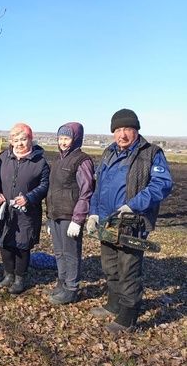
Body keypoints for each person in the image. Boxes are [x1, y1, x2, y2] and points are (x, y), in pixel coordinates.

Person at [86, 109, 173, 334]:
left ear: (136, 130)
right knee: (110, 266)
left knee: (128, 269)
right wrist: (94, 213)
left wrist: (133, 205)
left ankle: (128, 315)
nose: (122, 134)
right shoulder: (108, 153)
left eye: (127, 129)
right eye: (117, 130)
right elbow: (98, 187)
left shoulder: (151, 153)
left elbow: (161, 184)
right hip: (107, 221)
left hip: (132, 221)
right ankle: (114, 303)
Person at [0, 122, 50, 294]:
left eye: (23, 139)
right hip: (4, 209)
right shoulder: (2, 157)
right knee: (4, 243)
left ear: (30, 139)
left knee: (22, 245)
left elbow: (45, 185)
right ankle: (8, 274)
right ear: (11, 141)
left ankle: (20, 278)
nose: (20, 143)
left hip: (27, 212)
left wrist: (29, 198)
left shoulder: (40, 162)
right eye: (16, 140)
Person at [46, 122, 95, 304]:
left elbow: (86, 190)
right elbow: (52, 190)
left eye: (66, 138)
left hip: (70, 215)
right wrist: (49, 217)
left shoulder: (82, 160)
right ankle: (62, 282)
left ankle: (72, 288)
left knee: (71, 253)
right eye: (60, 138)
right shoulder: (57, 160)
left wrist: (78, 218)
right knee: (59, 252)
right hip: (55, 215)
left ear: (76, 139)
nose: (63, 142)